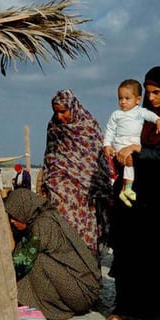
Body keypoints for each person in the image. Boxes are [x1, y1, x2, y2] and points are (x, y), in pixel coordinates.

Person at [102, 66, 160, 320]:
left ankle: (158, 307)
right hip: (132, 194)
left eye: (157, 92)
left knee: (157, 255)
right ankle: (124, 306)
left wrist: (140, 152)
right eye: (148, 93)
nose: (151, 98)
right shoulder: (138, 119)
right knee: (127, 251)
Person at [4, 188, 101, 320]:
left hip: (82, 294)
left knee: (37, 261)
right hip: (83, 290)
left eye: (14, 216)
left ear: (24, 209)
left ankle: (52, 309)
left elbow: (22, 263)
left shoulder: (43, 224)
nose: (12, 221)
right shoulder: (45, 218)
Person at [39, 90, 113, 255]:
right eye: (56, 112)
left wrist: (103, 191)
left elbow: (98, 163)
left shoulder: (89, 127)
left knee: (85, 244)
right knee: (61, 241)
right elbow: (49, 158)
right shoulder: (54, 128)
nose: (59, 116)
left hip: (86, 198)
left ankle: (87, 278)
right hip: (60, 195)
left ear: (73, 108)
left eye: (63, 111)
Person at [103, 79, 160, 206]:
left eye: (127, 98)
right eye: (120, 98)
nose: (123, 102)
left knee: (130, 163)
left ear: (137, 100)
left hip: (134, 143)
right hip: (120, 143)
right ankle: (125, 188)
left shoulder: (140, 112)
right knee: (126, 162)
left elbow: (151, 116)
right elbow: (110, 130)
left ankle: (126, 189)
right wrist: (107, 145)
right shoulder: (117, 114)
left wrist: (159, 121)